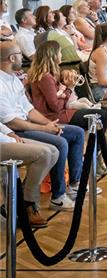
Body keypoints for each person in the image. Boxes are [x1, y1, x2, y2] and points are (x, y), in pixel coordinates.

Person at [0, 41, 85, 211]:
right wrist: (45, 129)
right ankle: (58, 196)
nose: (22, 57)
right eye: (19, 53)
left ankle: (75, 183)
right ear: (12, 58)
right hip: (15, 130)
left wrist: (48, 124)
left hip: (26, 124)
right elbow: (11, 121)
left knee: (77, 133)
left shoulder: (14, 80)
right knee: (59, 142)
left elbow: (29, 109)